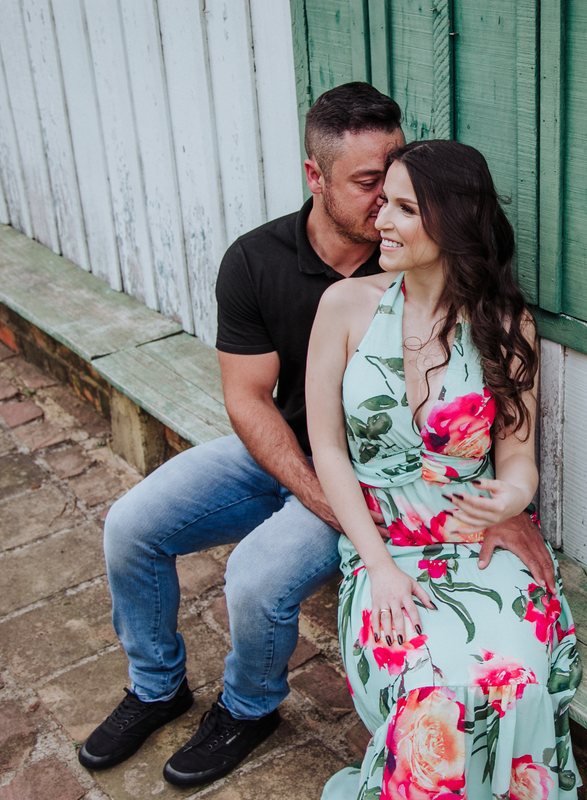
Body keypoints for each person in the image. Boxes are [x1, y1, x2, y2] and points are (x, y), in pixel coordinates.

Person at [77, 83, 559, 789]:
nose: (384, 204)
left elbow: (498, 436)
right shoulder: (259, 261)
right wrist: (331, 504)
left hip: (393, 483)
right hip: (288, 453)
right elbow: (247, 402)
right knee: (130, 526)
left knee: (256, 577)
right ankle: (156, 688)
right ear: (316, 177)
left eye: (398, 182)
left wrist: (504, 502)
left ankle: (247, 707)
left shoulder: (419, 265)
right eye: (370, 184)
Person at [306, 139, 581, 799]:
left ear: (452, 223)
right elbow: (329, 448)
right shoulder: (344, 307)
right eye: (384, 203)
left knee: (513, 683)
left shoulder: (504, 325)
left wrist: (510, 499)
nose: (382, 221)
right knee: (429, 699)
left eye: (404, 209)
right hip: (385, 549)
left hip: (479, 544)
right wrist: (377, 567)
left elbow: (517, 458)